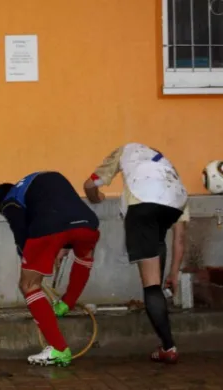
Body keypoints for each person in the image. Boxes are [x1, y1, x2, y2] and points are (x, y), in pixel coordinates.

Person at [83, 143, 188, 364]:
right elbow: (179, 238)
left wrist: (95, 197)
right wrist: (174, 273)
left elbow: (90, 184)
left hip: (142, 205)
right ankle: (162, 289)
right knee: (156, 243)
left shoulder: (125, 150)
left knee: (150, 285)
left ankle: (168, 347)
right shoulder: (170, 173)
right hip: (175, 203)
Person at [0, 171, 100, 367]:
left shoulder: (9, 199)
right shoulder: (39, 180)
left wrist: (27, 259)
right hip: (88, 222)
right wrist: (64, 246)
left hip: (50, 226)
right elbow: (66, 211)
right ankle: (66, 304)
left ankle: (59, 348)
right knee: (85, 256)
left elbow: (20, 232)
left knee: (28, 285)